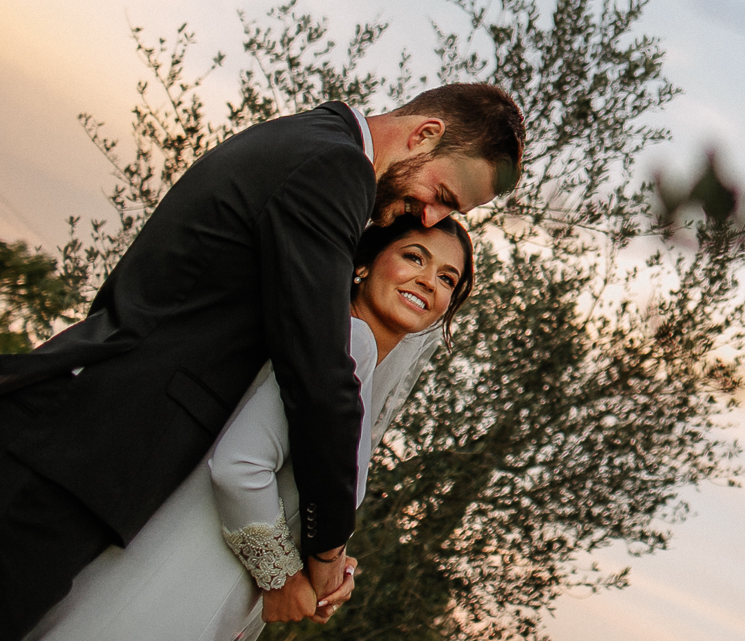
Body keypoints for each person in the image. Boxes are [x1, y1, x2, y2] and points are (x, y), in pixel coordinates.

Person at [0, 85, 523, 641]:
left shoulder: (310, 138)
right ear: (424, 134)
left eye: (449, 212)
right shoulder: (336, 166)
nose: (431, 214)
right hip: (80, 449)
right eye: (441, 194)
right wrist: (326, 553)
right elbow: (318, 375)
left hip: (86, 444)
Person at [27, 215, 476, 640]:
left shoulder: (334, 346)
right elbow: (239, 467)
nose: (428, 280)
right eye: (414, 257)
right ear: (364, 264)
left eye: (446, 279)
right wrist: (281, 577)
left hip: (182, 579)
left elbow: (300, 497)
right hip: (173, 582)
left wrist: (330, 566)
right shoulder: (349, 342)